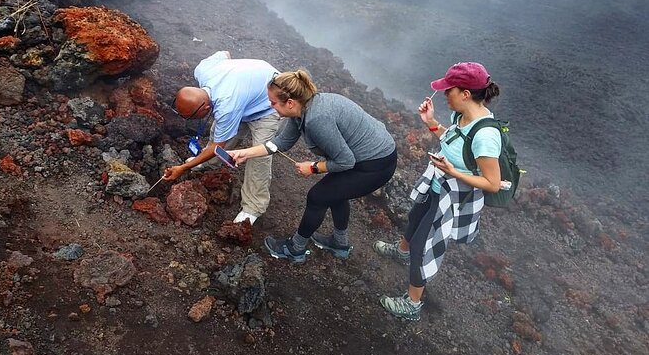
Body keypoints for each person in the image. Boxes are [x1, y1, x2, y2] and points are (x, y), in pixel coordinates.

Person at [375, 62, 502, 321]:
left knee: (422, 246)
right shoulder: (462, 117)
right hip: (437, 185)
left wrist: (453, 172)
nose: (444, 95)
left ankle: (412, 304)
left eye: (449, 90)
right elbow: (452, 141)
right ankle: (401, 253)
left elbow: (493, 183)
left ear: (465, 93)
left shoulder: (486, 135)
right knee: (414, 221)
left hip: (450, 198)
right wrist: (431, 122)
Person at [228, 70, 397, 263]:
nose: (270, 105)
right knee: (335, 192)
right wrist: (245, 153)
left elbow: (345, 161)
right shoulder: (301, 110)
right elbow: (281, 143)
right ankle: (339, 243)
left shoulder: (317, 119)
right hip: (366, 156)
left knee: (318, 196)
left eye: (273, 103)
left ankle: (295, 248)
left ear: (290, 102)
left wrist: (314, 167)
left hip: (376, 164)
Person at [164, 50, 281, 225]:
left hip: (268, 105)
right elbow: (225, 53)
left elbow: (218, 144)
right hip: (248, 92)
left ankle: (253, 208)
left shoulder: (227, 105)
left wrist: (184, 167)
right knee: (221, 130)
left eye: (192, 117)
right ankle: (209, 162)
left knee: (259, 156)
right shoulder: (202, 70)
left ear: (204, 109)